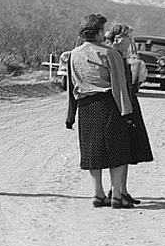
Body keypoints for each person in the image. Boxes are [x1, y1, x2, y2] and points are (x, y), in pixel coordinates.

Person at [65, 14, 136, 208]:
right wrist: (127, 113)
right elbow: (119, 86)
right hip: (109, 104)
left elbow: (71, 87)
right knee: (118, 151)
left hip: (86, 107)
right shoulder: (110, 54)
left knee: (93, 152)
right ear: (97, 32)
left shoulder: (73, 54)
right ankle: (117, 195)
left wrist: (70, 116)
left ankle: (98, 193)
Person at [105, 24, 153, 205]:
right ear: (118, 38)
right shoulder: (112, 55)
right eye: (128, 38)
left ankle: (122, 189)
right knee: (120, 150)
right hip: (122, 105)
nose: (130, 42)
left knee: (128, 149)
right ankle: (116, 190)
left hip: (129, 102)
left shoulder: (121, 56)